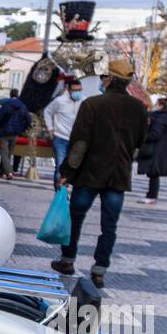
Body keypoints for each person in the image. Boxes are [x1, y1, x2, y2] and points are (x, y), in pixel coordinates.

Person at [51, 58, 149, 290]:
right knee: (110, 225)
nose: (103, 80)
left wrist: (66, 172)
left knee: (76, 217)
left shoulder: (93, 104)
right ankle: (99, 269)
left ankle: (67, 260)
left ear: (110, 79)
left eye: (105, 76)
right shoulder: (138, 108)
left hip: (90, 173)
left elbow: (79, 143)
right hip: (118, 175)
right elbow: (140, 141)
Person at [43, 77, 83, 188]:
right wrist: (50, 128)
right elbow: (47, 111)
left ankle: (65, 187)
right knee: (60, 166)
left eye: (79, 90)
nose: (77, 93)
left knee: (72, 166)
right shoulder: (60, 101)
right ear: (68, 90)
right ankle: (59, 191)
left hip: (76, 140)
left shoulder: (84, 101)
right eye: (74, 90)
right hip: (60, 138)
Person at [138, 96, 167, 205]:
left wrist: (143, 137)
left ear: (160, 106)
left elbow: (155, 134)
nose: (154, 106)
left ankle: (151, 196)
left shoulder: (161, 118)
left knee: (154, 172)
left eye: (156, 104)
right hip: (161, 148)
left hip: (158, 149)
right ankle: (151, 196)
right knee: (153, 173)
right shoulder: (165, 117)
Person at [0, 94, 31, 179]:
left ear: (10, 94)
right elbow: (29, 120)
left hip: (4, 132)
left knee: (4, 153)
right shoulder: (23, 106)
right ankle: (2, 172)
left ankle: (9, 172)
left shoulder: (6, 105)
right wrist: (22, 129)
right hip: (16, 133)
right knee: (9, 153)